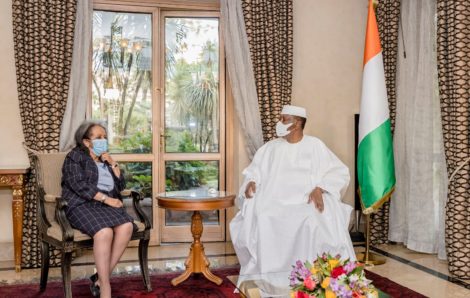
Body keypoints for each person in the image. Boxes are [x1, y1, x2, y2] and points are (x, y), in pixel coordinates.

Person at [230, 105, 356, 276]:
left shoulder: (315, 145)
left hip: (305, 201)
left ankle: (310, 273)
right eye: (280, 118)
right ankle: (270, 273)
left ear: (297, 123)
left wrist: (320, 188)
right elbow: (254, 171)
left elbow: (339, 172)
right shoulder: (270, 148)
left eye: (284, 119)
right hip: (273, 200)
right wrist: (251, 182)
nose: (279, 122)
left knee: (312, 218)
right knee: (264, 216)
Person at [61, 121, 135, 298]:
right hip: (81, 204)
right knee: (104, 233)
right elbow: (79, 185)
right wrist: (107, 199)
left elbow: (120, 186)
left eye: (105, 137)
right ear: (86, 142)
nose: (104, 140)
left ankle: (100, 279)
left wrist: (113, 164)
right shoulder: (75, 157)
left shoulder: (105, 159)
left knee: (127, 227)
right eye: (99, 137)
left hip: (105, 205)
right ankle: (106, 288)